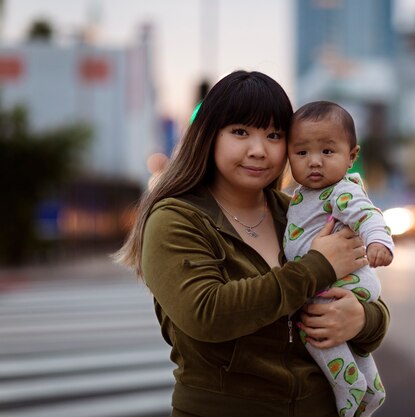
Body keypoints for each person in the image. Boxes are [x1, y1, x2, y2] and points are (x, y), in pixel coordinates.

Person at [114, 71, 390, 417]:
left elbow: (366, 296)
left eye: (273, 135)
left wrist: (361, 320)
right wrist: (318, 267)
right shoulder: (177, 219)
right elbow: (206, 314)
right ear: (209, 136)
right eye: (240, 132)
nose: (258, 150)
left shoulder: (298, 215)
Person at [285, 101, 394, 417]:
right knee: (349, 343)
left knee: (317, 333)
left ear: (352, 156)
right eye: (302, 153)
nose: (314, 162)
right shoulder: (302, 195)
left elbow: (368, 215)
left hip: (338, 285)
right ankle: (372, 389)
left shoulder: (340, 192)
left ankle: (349, 392)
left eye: (327, 152)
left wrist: (379, 242)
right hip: (334, 284)